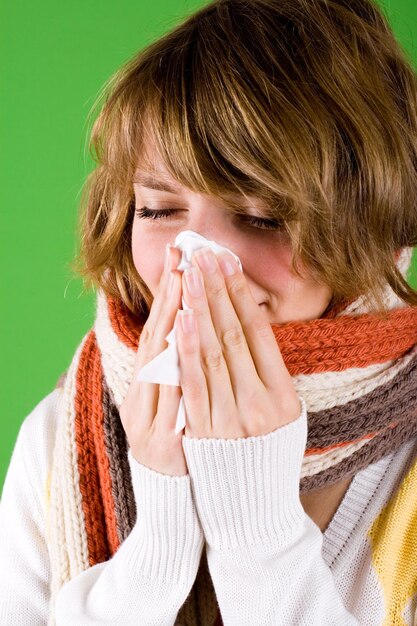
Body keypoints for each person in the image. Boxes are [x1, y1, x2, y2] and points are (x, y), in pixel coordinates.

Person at [1, 0, 417, 623]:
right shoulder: (61, 434)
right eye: (159, 210)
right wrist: (154, 556)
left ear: (384, 239)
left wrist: (261, 540)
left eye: (262, 217)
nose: (196, 260)